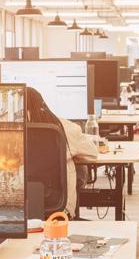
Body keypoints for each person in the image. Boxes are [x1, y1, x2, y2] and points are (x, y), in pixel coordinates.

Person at [24, 86, 99, 215]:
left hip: (18, 210)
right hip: (58, 210)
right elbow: (93, 153)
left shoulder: (5, 133)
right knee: (79, 169)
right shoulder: (64, 128)